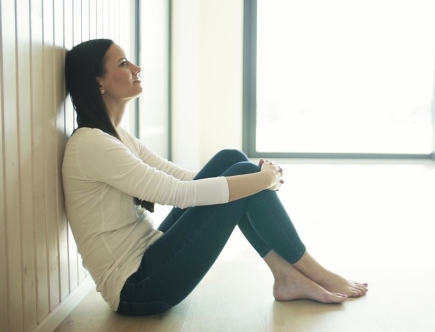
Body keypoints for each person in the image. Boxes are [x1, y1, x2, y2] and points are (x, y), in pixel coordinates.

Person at [62, 39, 367, 316]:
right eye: (123, 64)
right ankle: (314, 272)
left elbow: (179, 176)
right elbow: (177, 193)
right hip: (138, 287)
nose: (137, 68)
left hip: (151, 257)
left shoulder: (114, 137)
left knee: (231, 160)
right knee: (244, 174)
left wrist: (251, 180)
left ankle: (286, 276)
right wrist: (262, 179)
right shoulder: (92, 144)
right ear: (98, 82)